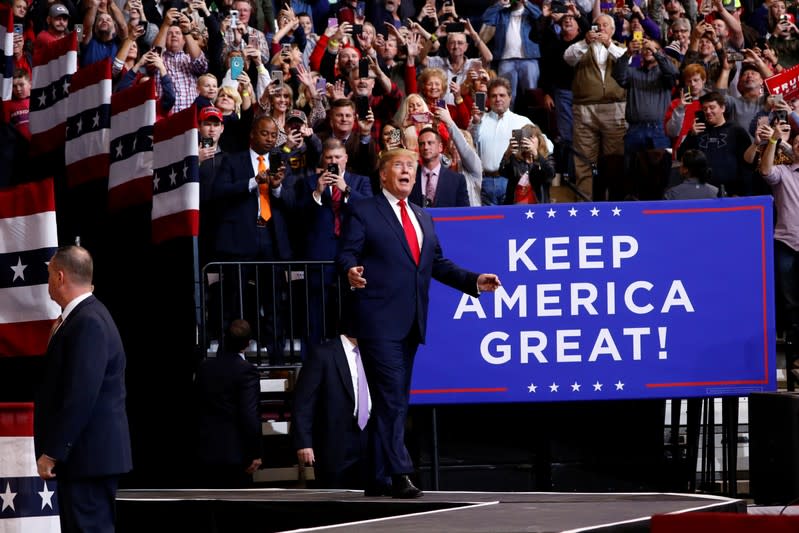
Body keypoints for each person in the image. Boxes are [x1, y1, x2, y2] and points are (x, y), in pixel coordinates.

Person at [336, 148, 502, 499]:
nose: (407, 170)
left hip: (411, 323)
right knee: (393, 399)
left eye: (411, 166)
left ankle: (376, 477)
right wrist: (349, 271)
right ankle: (400, 473)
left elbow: (437, 264)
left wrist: (473, 281)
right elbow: (347, 252)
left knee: (389, 401)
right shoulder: (363, 209)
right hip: (377, 321)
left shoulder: (423, 217)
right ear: (383, 174)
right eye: (399, 165)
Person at [34, 245, 132, 533]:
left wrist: (53, 452)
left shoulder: (87, 321)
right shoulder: (85, 316)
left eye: (50, 274)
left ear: (60, 277)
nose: (49, 281)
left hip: (88, 459)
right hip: (86, 458)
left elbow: (80, 395)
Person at [292, 333, 376, 489]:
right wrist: (304, 442)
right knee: (333, 493)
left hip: (368, 435)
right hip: (334, 439)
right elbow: (304, 401)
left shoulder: (374, 352)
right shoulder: (323, 353)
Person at [194, 319, 263, 488]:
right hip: (235, 455)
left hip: (205, 451)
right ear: (248, 343)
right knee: (236, 508)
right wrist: (255, 452)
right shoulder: (247, 370)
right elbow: (249, 414)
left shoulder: (204, 367)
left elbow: (195, 406)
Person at [410, 127, 469, 208]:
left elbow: (464, 213)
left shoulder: (457, 180)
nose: (426, 147)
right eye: (422, 144)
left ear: (440, 147)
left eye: (430, 143)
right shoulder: (410, 177)